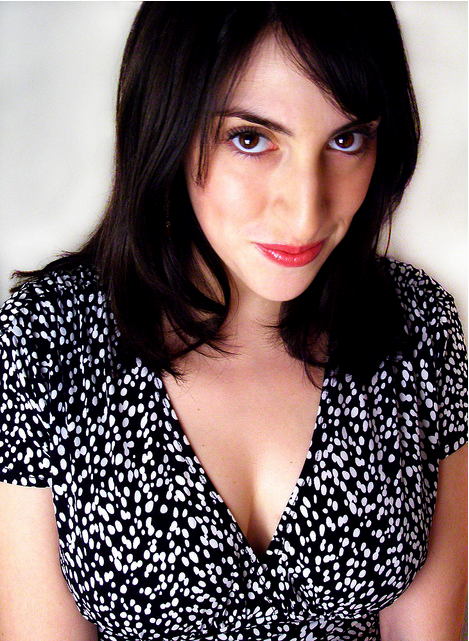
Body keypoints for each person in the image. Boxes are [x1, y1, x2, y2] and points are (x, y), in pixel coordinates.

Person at [0, 2, 467, 640]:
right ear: (166, 127)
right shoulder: (50, 333)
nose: (305, 211)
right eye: (251, 139)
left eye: (346, 139)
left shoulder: (415, 323)